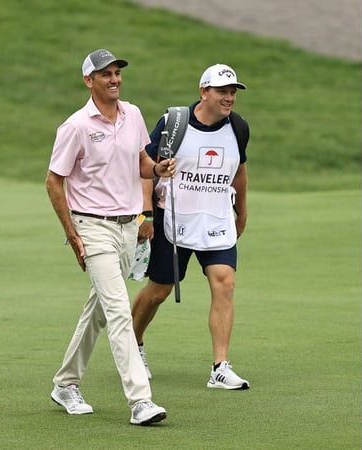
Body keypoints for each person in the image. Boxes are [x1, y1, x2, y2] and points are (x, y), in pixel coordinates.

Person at [46, 49, 175, 425]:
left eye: (117, 72)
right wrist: (71, 234)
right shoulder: (76, 126)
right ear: (89, 81)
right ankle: (140, 401)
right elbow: (55, 181)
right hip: (92, 227)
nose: (114, 79)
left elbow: (141, 164)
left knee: (99, 311)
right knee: (119, 311)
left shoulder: (133, 114)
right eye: (106, 74)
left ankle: (65, 383)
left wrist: (159, 168)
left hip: (128, 228)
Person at [132, 64, 250, 390]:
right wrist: (146, 215)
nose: (228, 98)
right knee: (159, 291)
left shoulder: (238, 128)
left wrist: (242, 212)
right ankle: (133, 345)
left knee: (224, 282)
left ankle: (220, 367)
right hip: (173, 218)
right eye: (222, 91)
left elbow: (239, 171)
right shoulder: (173, 124)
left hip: (216, 218)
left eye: (232, 92)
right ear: (204, 92)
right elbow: (145, 167)